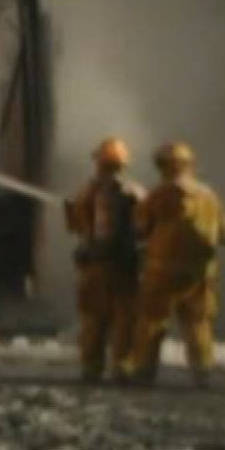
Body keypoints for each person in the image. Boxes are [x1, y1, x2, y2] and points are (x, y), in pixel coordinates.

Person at [124, 142, 225, 386]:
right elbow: (224, 230)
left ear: (163, 166)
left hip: (162, 272)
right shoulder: (209, 196)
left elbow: (140, 228)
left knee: (152, 321)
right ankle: (203, 372)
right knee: (197, 323)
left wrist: (138, 201)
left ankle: (143, 370)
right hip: (200, 274)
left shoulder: (158, 195)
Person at [62, 137, 146, 383]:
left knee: (94, 318)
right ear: (123, 164)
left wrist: (72, 212)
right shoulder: (136, 192)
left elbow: (74, 227)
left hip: (94, 266)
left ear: (99, 162)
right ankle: (121, 367)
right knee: (125, 319)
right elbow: (146, 227)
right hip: (125, 267)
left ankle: (91, 367)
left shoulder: (86, 192)